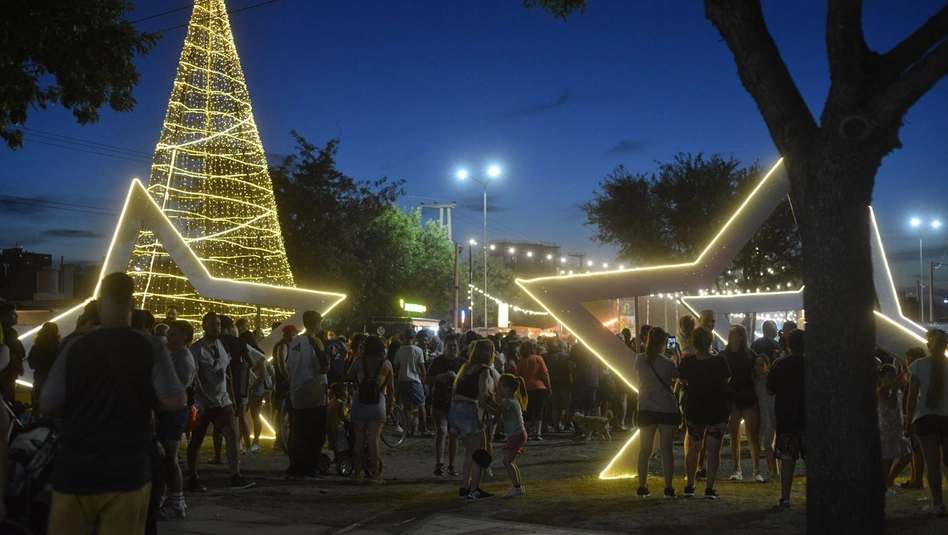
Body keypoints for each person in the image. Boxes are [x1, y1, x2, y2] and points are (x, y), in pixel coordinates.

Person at [40, 272, 186, 535]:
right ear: (131, 304)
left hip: (76, 467)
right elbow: (175, 400)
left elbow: (48, 403)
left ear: (99, 304)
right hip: (128, 469)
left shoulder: (75, 346)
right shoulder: (150, 346)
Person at [186, 311, 255, 491]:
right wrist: (203, 399)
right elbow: (195, 377)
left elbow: (228, 371)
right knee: (197, 440)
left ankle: (235, 475)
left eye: (217, 324)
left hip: (224, 401)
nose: (216, 327)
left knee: (232, 435)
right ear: (204, 327)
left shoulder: (223, 345)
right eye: (212, 324)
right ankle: (193, 477)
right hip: (205, 403)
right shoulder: (197, 349)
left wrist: (231, 395)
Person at [678, 326, 730, 500]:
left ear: (693, 342)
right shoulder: (719, 361)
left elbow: (683, 379)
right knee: (714, 450)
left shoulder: (688, 362)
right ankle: (710, 488)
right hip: (717, 408)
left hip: (695, 408)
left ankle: (690, 485)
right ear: (709, 341)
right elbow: (726, 379)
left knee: (694, 448)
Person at [633, 327, 680, 499]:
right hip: (665, 407)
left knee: (645, 449)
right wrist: (676, 356)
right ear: (663, 342)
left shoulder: (639, 359)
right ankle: (668, 488)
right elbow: (677, 377)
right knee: (666, 448)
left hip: (645, 406)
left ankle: (642, 486)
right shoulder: (668, 363)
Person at [906, 328, 948, 517]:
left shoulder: (918, 365)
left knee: (932, 463)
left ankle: (937, 503)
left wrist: (908, 420)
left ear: (929, 345)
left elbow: (912, 397)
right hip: (946, 417)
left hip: (925, 418)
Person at [157, 320, 196, 518]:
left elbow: (179, 390)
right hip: (167, 410)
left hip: (175, 411)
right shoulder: (173, 354)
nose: (168, 337)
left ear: (184, 337)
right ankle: (164, 497)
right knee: (164, 458)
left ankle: (178, 500)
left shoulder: (184, 359)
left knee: (171, 458)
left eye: (173, 334)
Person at [285, 310, 330, 481]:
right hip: (314, 394)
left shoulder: (294, 341)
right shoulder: (315, 341)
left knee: (297, 432)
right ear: (317, 324)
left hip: (297, 394)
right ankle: (309, 469)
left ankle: (294, 469)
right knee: (315, 434)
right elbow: (324, 367)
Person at [450, 339, 496, 501]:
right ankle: (474, 490)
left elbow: (455, 391)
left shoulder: (466, 368)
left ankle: (465, 487)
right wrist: (495, 410)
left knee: (469, 452)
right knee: (479, 452)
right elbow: (483, 394)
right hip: (468, 409)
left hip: (455, 409)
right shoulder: (483, 369)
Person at [347, 335, 394, 485]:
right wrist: (390, 406)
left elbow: (348, 375)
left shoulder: (359, 361)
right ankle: (375, 476)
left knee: (359, 439)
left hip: (359, 401)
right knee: (374, 440)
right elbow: (391, 388)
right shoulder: (386, 364)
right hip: (377, 403)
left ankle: (357, 475)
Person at [767, 328, 806, 509]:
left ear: (788, 345)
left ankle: (785, 498)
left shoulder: (779, 364)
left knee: (788, 458)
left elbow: (770, 389)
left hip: (786, 416)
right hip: (810, 417)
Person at [722, 325, 761, 482]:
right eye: (730, 332)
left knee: (752, 434)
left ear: (741, 336)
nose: (731, 335)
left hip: (746, 395)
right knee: (734, 434)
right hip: (734, 396)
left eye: (734, 333)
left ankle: (755, 469)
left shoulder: (748, 354)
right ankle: (738, 468)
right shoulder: (726, 354)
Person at [424, 334, 466, 477]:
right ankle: (439, 463)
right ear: (445, 347)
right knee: (441, 430)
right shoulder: (438, 362)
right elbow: (426, 379)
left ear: (458, 347)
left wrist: (457, 378)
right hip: (439, 401)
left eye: (454, 345)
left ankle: (451, 465)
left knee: (454, 435)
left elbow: (468, 382)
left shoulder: (462, 362)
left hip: (457, 404)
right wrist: (438, 378)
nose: (452, 348)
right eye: (449, 345)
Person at [492, 374, 529, 498]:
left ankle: (516, 487)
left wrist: (483, 403)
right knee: (510, 461)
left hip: (516, 435)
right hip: (518, 434)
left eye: (500, 387)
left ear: (507, 388)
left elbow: (496, 411)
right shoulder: (512, 401)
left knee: (507, 461)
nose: (498, 389)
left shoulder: (509, 402)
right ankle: (518, 486)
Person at [877, 363, 911, 495]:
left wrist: (906, 418)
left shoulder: (892, 392)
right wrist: (896, 390)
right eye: (889, 377)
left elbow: (895, 411)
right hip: (886, 432)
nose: (892, 380)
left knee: (906, 455)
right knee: (887, 460)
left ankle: (889, 480)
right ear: (881, 378)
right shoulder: (880, 392)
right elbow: (890, 406)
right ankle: (883, 485)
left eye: (894, 377)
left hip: (896, 431)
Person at [392, 328, 430, 436]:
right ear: (414, 338)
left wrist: (401, 373)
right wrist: (424, 380)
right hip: (414, 380)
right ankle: (424, 429)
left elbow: (395, 366)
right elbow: (422, 368)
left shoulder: (399, 351)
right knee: (421, 405)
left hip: (402, 380)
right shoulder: (418, 350)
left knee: (406, 406)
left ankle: (407, 429)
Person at [516, 340, 551, 441]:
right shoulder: (538, 358)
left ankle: (527, 433)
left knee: (527, 411)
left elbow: (518, 376)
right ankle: (538, 432)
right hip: (539, 387)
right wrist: (549, 387)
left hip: (525, 388)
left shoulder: (521, 360)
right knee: (539, 410)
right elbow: (545, 374)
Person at [272, 324, 299, 452]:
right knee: (281, 411)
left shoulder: (288, 345)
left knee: (286, 411)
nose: (296, 336)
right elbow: (281, 363)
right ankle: (279, 439)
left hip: (285, 381)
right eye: (295, 333)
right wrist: (289, 379)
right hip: (283, 383)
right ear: (290, 334)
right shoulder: (283, 345)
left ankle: (282, 437)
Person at [753, 354, 778, 480]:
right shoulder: (756, 382)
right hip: (763, 415)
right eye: (756, 364)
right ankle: (772, 470)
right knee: (766, 443)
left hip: (770, 414)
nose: (758, 367)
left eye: (761, 364)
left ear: (767, 366)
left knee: (768, 443)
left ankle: (774, 470)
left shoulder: (769, 381)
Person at [27, 321, 60, 415]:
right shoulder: (58, 347)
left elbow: (31, 364)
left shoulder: (36, 347)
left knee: (37, 409)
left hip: (39, 381)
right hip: (54, 383)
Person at [0, 302, 25, 402]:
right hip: (7, 375)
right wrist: (20, 369)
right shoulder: (10, 333)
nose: (16, 316)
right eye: (13, 314)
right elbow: (15, 353)